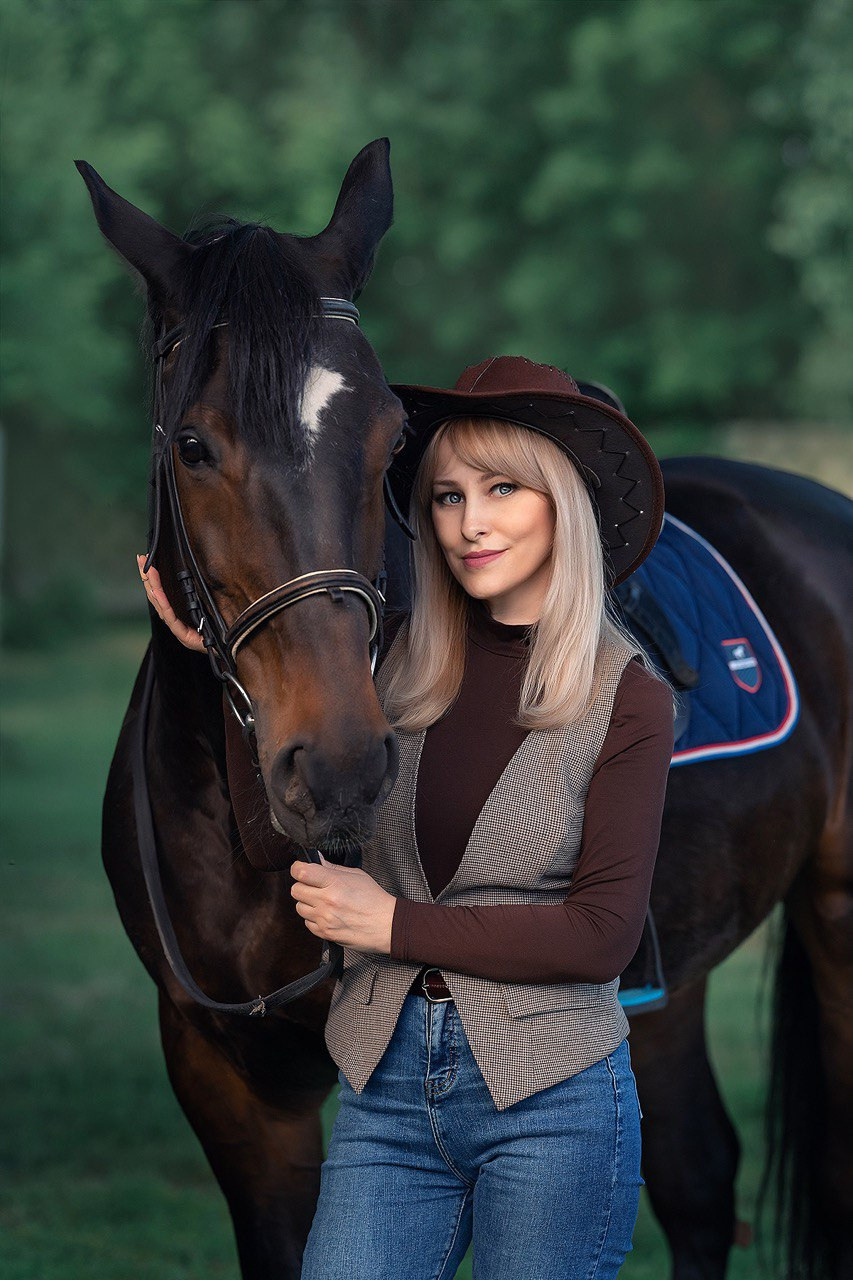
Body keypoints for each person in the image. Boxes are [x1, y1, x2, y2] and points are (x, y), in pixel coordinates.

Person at [139, 355, 675, 1278]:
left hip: (552, 1098)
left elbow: (600, 939)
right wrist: (222, 659)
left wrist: (391, 924)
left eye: (502, 489)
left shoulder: (624, 699)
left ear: (562, 503)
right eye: (445, 496)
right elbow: (278, 842)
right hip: (386, 1095)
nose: (469, 524)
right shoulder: (396, 677)